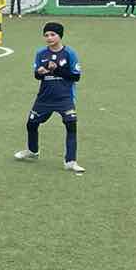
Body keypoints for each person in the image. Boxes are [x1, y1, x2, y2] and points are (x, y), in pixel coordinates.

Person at [14, 21, 84, 173]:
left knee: (71, 126)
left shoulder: (69, 53)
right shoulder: (41, 53)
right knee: (31, 124)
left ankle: (70, 161)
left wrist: (56, 70)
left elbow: (75, 77)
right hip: (44, 98)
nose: (49, 38)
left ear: (60, 36)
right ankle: (33, 151)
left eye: (53, 34)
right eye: (46, 35)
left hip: (64, 98)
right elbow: (37, 76)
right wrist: (40, 72)